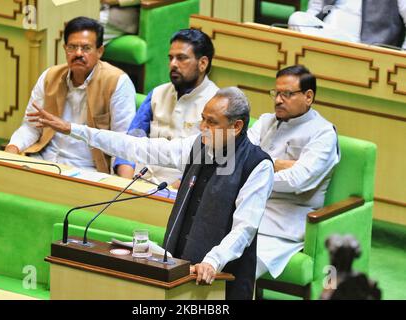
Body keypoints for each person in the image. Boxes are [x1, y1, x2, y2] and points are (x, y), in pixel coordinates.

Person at [27, 87, 274, 300]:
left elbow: (245, 228)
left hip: (223, 281)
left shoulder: (257, 165)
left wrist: (213, 261)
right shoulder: (196, 145)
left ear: (237, 126)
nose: (203, 127)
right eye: (202, 119)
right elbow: (137, 147)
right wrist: (73, 129)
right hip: (179, 274)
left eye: (212, 122)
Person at [5, 16, 136, 174]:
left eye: (86, 48)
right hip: (43, 161)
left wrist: (118, 183)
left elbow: (122, 141)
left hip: (87, 170)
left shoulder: (117, 82)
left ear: (100, 51)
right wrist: (12, 148)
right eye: (72, 47)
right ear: (64, 48)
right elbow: (31, 127)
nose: (78, 53)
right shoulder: (50, 76)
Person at [247, 65, 340, 281]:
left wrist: (259, 165)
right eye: (276, 93)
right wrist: (278, 164)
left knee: (238, 269)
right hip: (247, 210)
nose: (278, 100)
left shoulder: (324, 133)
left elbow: (296, 181)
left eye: (287, 94)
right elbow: (238, 159)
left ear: (308, 96)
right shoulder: (265, 121)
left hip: (283, 227)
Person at [114, 29, 219, 187]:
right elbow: (130, 144)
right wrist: (126, 184)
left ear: (202, 63)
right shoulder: (157, 94)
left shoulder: (219, 104)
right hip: (137, 184)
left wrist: (166, 193)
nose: (173, 64)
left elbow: (209, 168)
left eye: (181, 58)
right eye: (171, 58)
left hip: (179, 194)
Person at [288, 0, 406, 49]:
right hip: (324, 35)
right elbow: (315, 9)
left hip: (367, 46)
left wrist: (401, 58)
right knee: (297, 18)